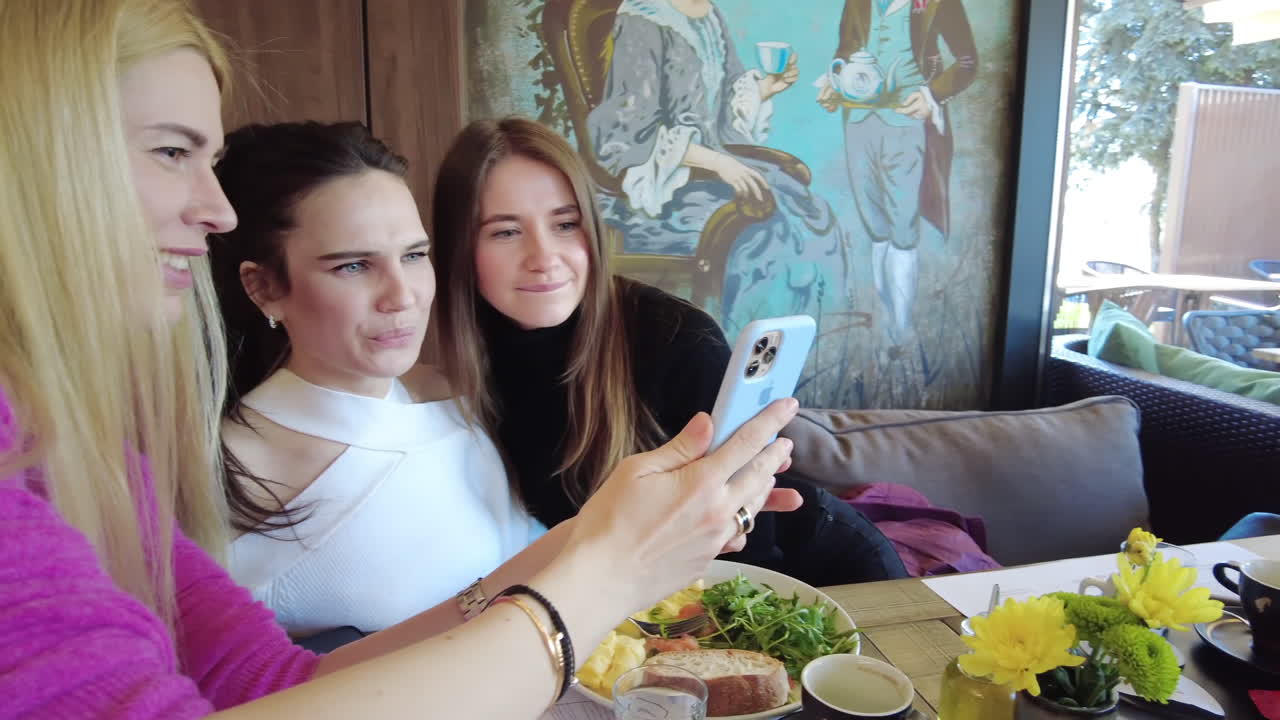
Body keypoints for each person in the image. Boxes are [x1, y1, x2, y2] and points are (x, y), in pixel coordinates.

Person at [0, 1, 799, 717]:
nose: (215, 210)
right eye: (173, 152)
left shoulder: (97, 457)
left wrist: (612, 536)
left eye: (414, 256)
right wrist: (615, 564)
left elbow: (274, 684)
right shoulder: (212, 472)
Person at [431, 116, 908, 588]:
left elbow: (752, 560)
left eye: (565, 224)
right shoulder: (444, 379)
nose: (544, 257)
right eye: (505, 232)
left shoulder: (676, 338)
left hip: (808, 576)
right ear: (459, 248)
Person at [208, 121, 554, 643]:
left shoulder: (452, 400)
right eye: (353, 266)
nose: (402, 295)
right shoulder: (228, 474)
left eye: (414, 256)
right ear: (263, 287)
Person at [586, 0, 854, 364]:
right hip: (659, 188)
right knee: (765, 232)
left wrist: (764, 90)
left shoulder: (709, 14)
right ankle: (736, 373)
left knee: (813, 215)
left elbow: (721, 113)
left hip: (707, 170)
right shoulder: (642, 19)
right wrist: (718, 164)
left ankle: (798, 365)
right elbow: (626, 135)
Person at [818, 0, 977, 352]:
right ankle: (887, 324)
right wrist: (835, 81)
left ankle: (900, 331)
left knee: (902, 230)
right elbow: (846, 48)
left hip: (908, 124)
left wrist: (931, 94)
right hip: (859, 122)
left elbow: (967, 61)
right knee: (877, 229)